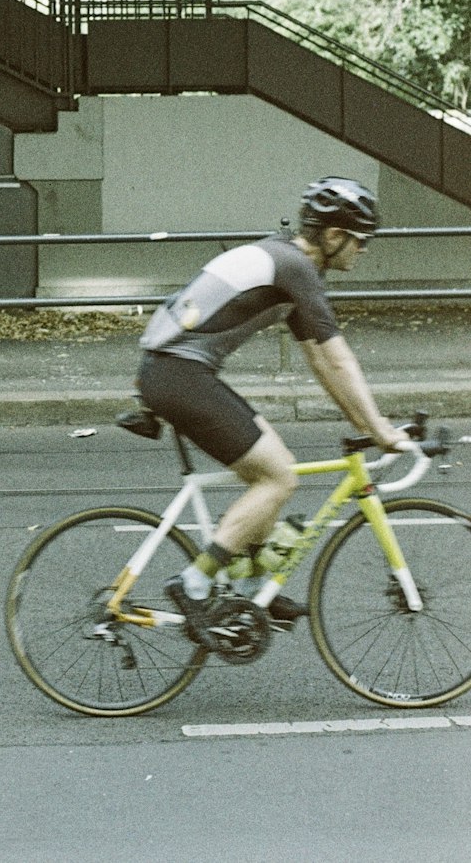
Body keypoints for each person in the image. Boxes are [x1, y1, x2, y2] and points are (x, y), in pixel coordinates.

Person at [136, 175, 409, 648]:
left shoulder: (290, 263)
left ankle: (248, 592)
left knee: (273, 465)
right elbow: (340, 357)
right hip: (179, 375)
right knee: (278, 477)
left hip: (174, 372)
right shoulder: (294, 267)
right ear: (333, 235)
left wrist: (364, 424)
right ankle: (195, 584)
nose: (364, 250)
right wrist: (380, 428)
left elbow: (322, 360)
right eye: (360, 239)